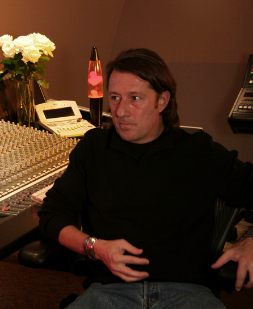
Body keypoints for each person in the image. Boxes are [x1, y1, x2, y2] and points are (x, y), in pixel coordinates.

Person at [38, 48, 253, 308]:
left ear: (162, 101)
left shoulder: (198, 151)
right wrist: (95, 247)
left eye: (135, 98)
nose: (120, 111)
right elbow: (53, 215)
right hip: (109, 293)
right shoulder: (94, 148)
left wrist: (251, 243)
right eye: (115, 97)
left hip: (188, 294)